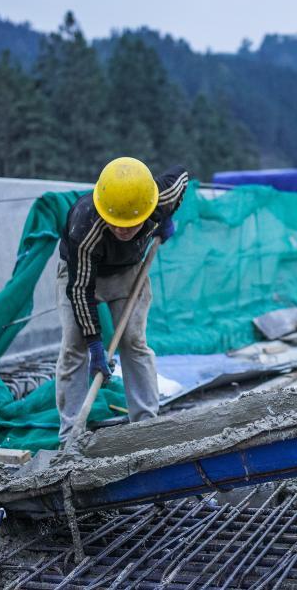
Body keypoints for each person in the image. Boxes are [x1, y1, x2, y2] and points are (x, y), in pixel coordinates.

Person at [55, 157, 188, 443]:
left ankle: (145, 426)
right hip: (79, 274)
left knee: (133, 341)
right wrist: (95, 344)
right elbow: (80, 290)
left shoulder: (159, 198)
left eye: (131, 225)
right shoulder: (84, 227)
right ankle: (71, 435)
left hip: (128, 272)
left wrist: (165, 218)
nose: (123, 230)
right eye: (117, 225)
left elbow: (181, 176)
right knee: (73, 347)